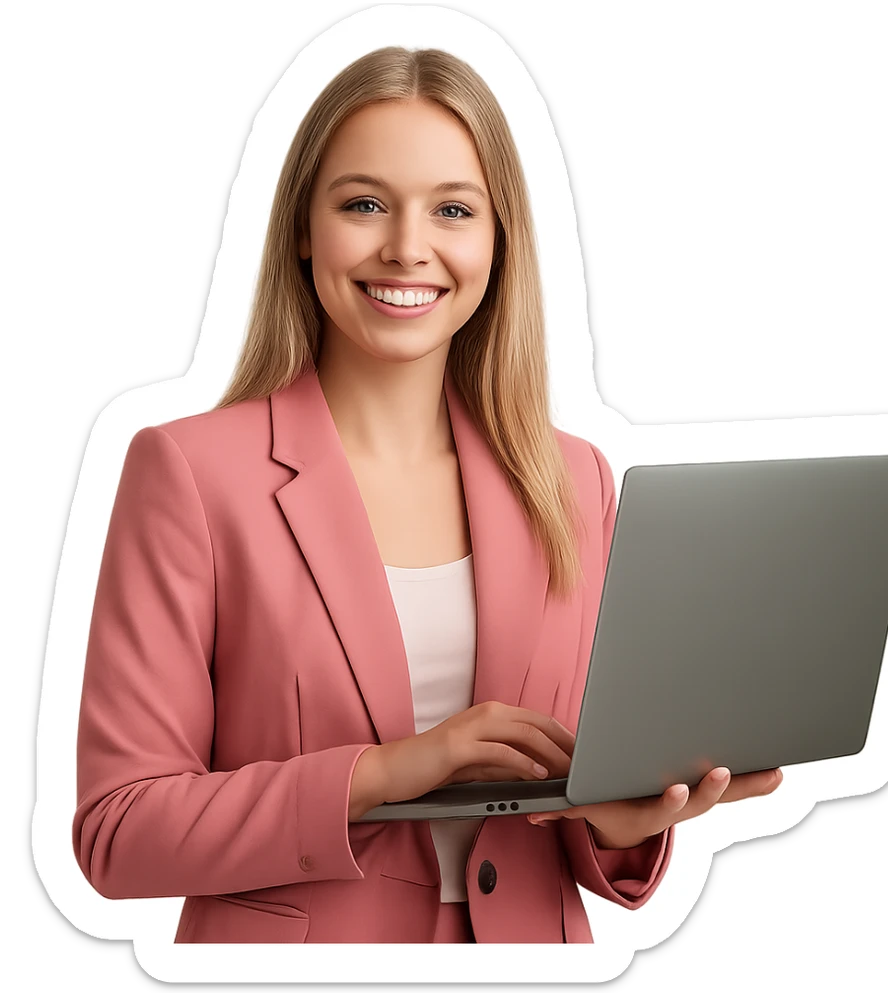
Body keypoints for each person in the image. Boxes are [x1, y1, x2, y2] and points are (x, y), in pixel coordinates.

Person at [72, 46, 781, 944]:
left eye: (453, 209)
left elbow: (576, 807)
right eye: (363, 203)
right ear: (303, 226)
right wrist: (385, 771)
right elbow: (117, 831)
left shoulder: (570, 479)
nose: (408, 247)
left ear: (497, 240)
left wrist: (621, 822)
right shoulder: (190, 472)